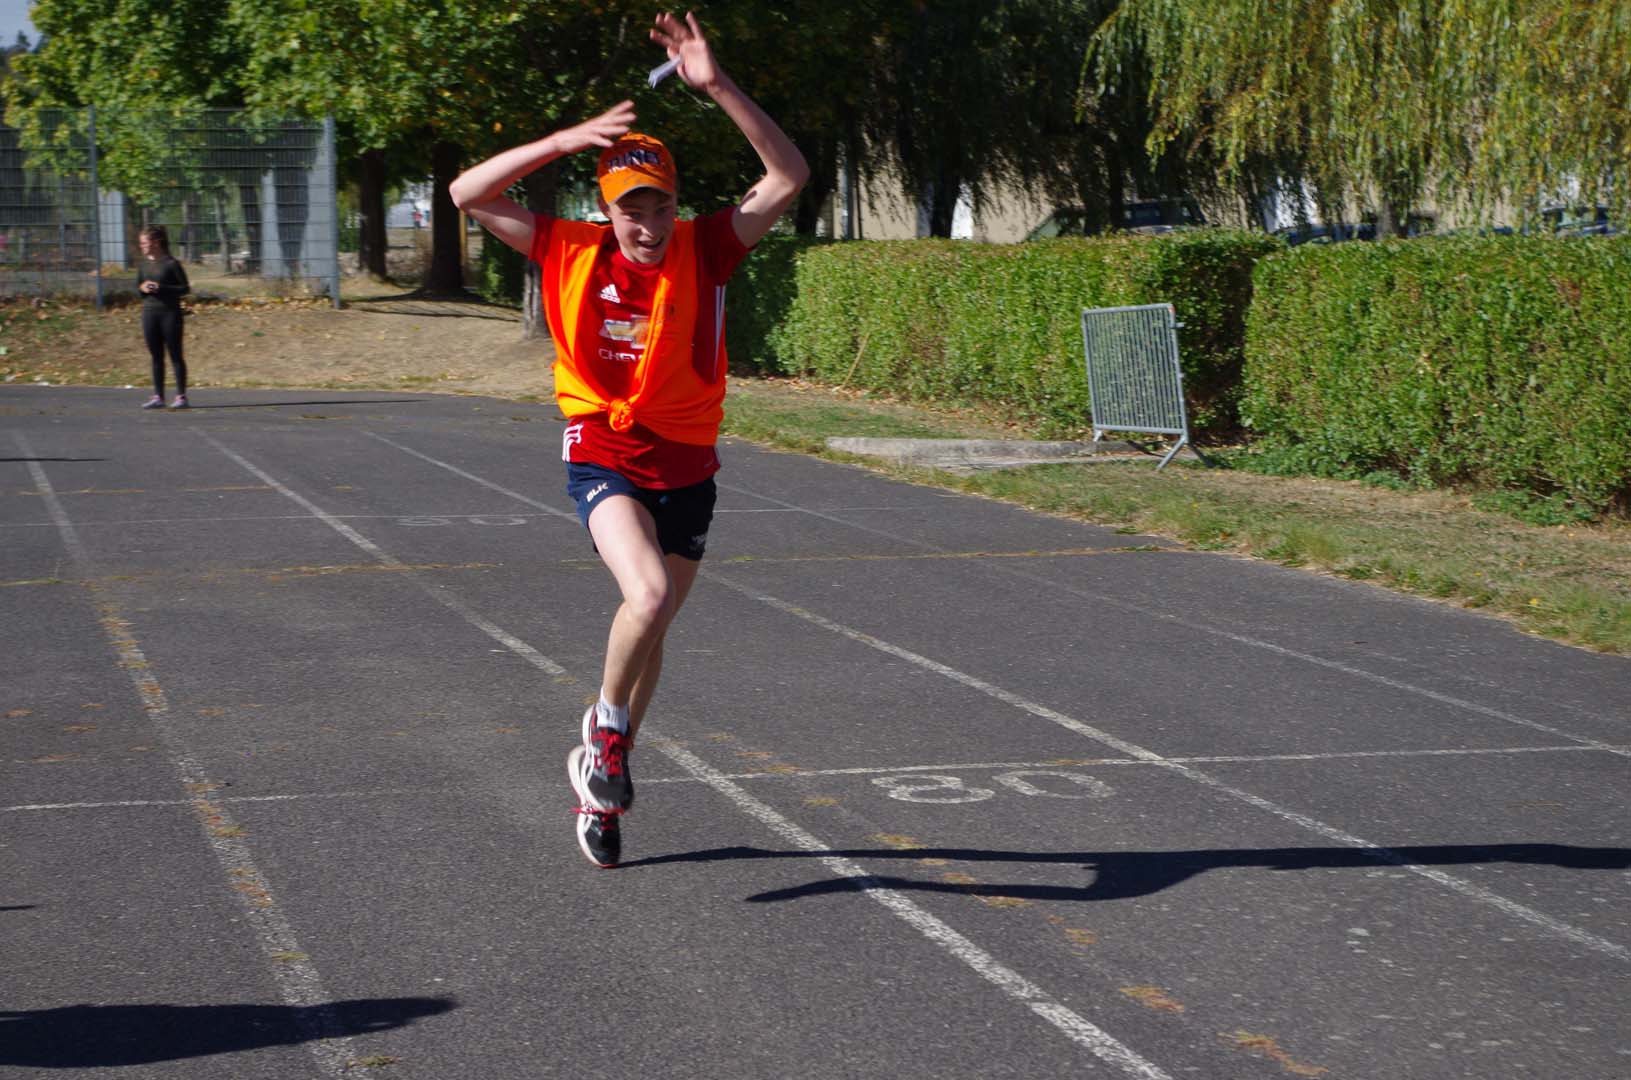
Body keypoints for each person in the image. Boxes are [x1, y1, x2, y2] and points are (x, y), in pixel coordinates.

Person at [451, 11, 807, 868]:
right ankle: (605, 734)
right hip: (604, 450)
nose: (645, 224)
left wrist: (715, 85)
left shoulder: (707, 249)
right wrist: (567, 137)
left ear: (676, 206)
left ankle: (599, 785)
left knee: (650, 631)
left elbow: (788, 175)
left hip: (688, 464)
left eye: (657, 205)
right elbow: (468, 193)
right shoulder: (565, 249)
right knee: (644, 597)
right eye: (628, 209)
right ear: (604, 212)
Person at [136, 225, 191, 409]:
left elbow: (184, 288)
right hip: (149, 313)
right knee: (156, 356)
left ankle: (181, 396)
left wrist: (162, 288)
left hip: (170, 313)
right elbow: (138, 287)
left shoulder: (171, 264)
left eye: (145, 242)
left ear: (156, 242)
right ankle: (158, 396)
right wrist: (142, 289)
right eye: (141, 243)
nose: (142, 246)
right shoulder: (143, 264)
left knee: (175, 354)